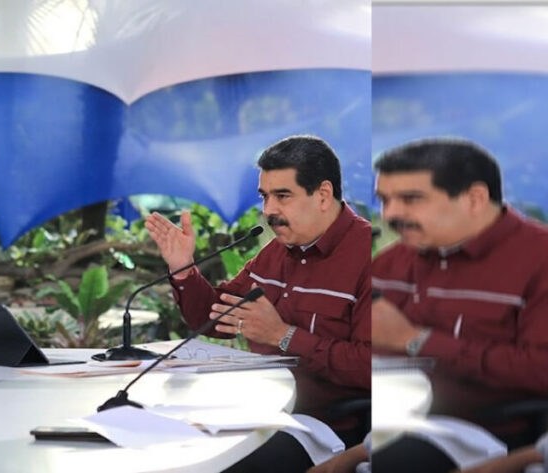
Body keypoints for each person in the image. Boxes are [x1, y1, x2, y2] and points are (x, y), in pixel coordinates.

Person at [147, 135, 372, 472]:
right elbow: (214, 318)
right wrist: (183, 269)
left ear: (323, 195)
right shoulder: (277, 251)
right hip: (250, 408)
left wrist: (284, 335)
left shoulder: (369, 256)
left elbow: (372, 367)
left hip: (318, 426)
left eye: (283, 196)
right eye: (265, 196)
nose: (268, 211)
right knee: (162, 449)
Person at [371, 139, 548, 472]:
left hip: (482, 435)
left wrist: (416, 340)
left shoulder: (539, 260)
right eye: (384, 200)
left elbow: (540, 369)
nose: (390, 214)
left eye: (411, 199)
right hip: (383, 416)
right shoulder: (390, 262)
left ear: (475, 199)